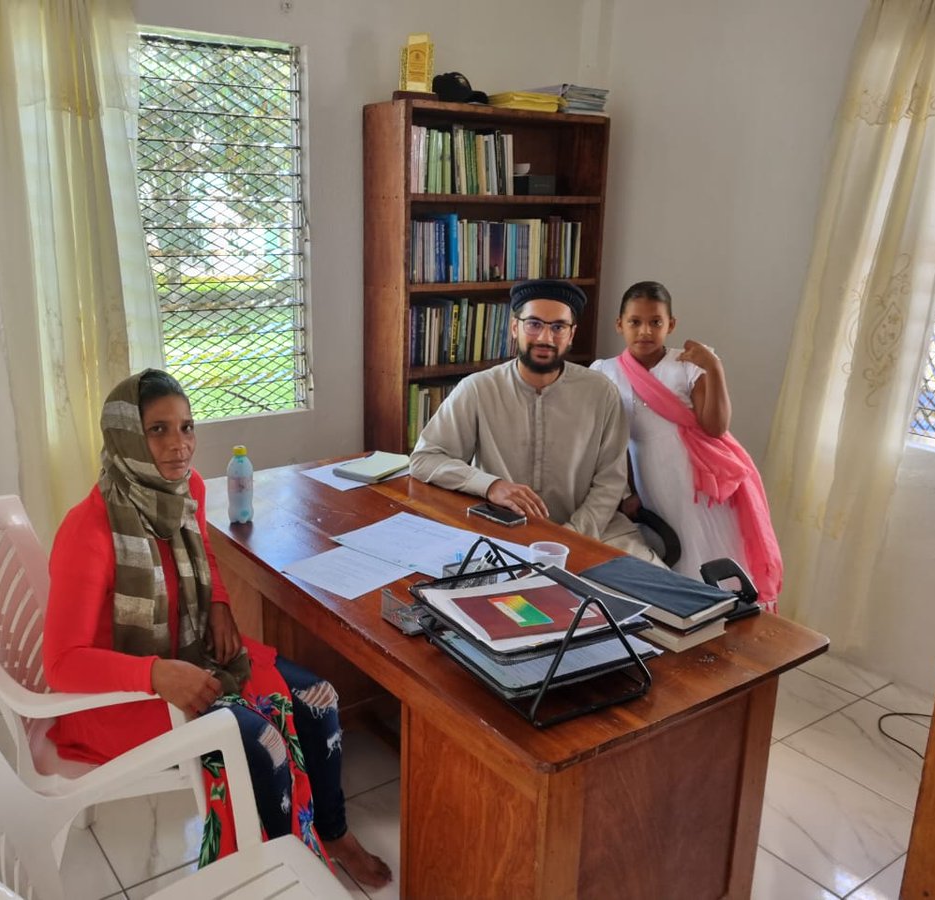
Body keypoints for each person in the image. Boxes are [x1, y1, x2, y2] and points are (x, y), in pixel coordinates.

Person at [43, 369, 391, 887]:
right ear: (125, 438)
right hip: (124, 692)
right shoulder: (89, 530)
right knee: (261, 742)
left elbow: (202, 555)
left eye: (186, 427)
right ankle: (280, 872)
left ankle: (333, 831)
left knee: (319, 698)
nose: (179, 445)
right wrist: (157, 674)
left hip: (188, 651)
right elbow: (62, 663)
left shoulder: (188, 489)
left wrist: (222, 605)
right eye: (158, 430)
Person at [409, 278, 663, 564]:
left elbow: (610, 484)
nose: (545, 338)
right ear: (515, 328)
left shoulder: (601, 393)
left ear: (572, 334)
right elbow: (424, 459)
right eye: (534, 324)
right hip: (503, 536)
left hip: (595, 532)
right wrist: (491, 485)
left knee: (666, 604)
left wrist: (571, 536)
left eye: (558, 327)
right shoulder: (479, 389)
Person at [590, 280, 782, 611]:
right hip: (649, 479)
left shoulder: (688, 365)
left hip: (696, 481)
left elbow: (715, 427)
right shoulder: (605, 372)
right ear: (619, 324)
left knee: (706, 551)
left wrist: (714, 367)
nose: (645, 331)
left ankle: (723, 628)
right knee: (667, 554)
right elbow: (611, 441)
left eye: (656, 322)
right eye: (635, 322)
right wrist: (626, 493)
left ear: (671, 325)